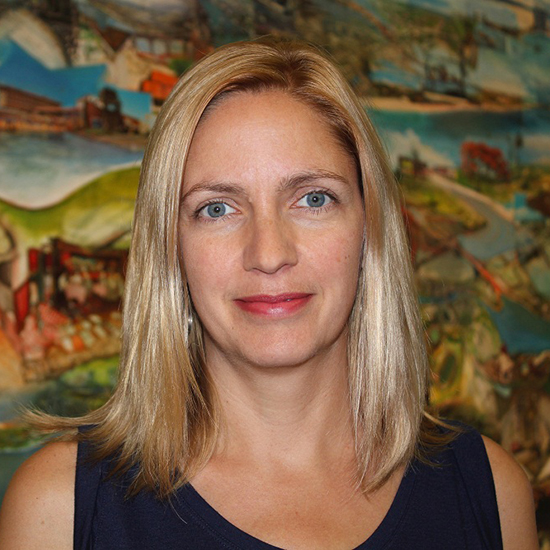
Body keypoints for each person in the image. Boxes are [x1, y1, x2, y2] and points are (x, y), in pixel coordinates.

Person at [0, 37, 538, 550]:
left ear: (370, 229)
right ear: (171, 248)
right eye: (217, 208)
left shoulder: (489, 491)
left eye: (313, 199)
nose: (268, 252)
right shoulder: (62, 508)